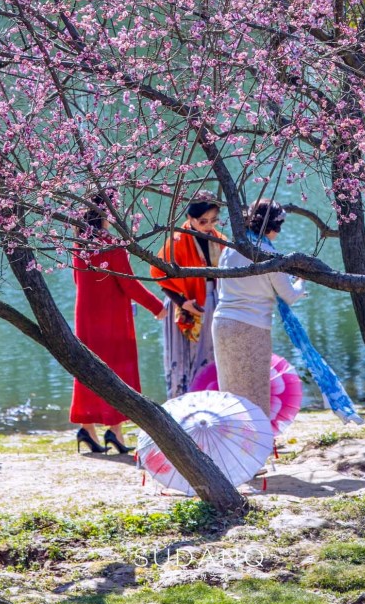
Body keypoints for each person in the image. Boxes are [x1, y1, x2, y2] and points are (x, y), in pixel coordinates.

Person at [70, 203, 164, 454]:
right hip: (111, 319)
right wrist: (158, 307)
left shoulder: (78, 242)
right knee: (117, 372)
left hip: (86, 317)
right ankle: (115, 431)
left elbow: (77, 279)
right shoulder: (110, 243)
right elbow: (129, 284)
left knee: (87, 369)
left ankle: (87, 427)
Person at [212, 198, 305, 420]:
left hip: (222, 323)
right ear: (273, 226)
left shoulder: (232, 247)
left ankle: (236, 443)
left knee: (231, 393)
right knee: (255, 392)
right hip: (251, 327)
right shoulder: (268, 254)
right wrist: (302, 280)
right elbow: (290, 296)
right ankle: (258, 445)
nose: (279, 233)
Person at [150, 193, 224, 398]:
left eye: (214, 220)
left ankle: (208, 399)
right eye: (203, 221)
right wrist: (183, 302)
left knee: (211, 356)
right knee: (182, 359)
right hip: (184, 303)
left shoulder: (219, 239)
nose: (209, 225)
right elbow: (157, 273)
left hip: (213, 300)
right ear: (191, 219)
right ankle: (181, 403)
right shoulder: (178, 240)